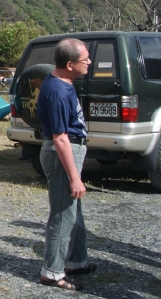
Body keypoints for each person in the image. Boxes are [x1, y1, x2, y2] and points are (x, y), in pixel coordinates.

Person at [37, 38, 94, 290]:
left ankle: (76, 261)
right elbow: (59, 138)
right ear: (70, 64)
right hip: (64, 152)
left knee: (73, 211)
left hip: (71, 148)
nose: (90, 62)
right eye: (85, 60)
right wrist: (74, 176)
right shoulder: (58, 93)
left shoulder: (64, 81)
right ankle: (52, 272)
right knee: (62, 214)